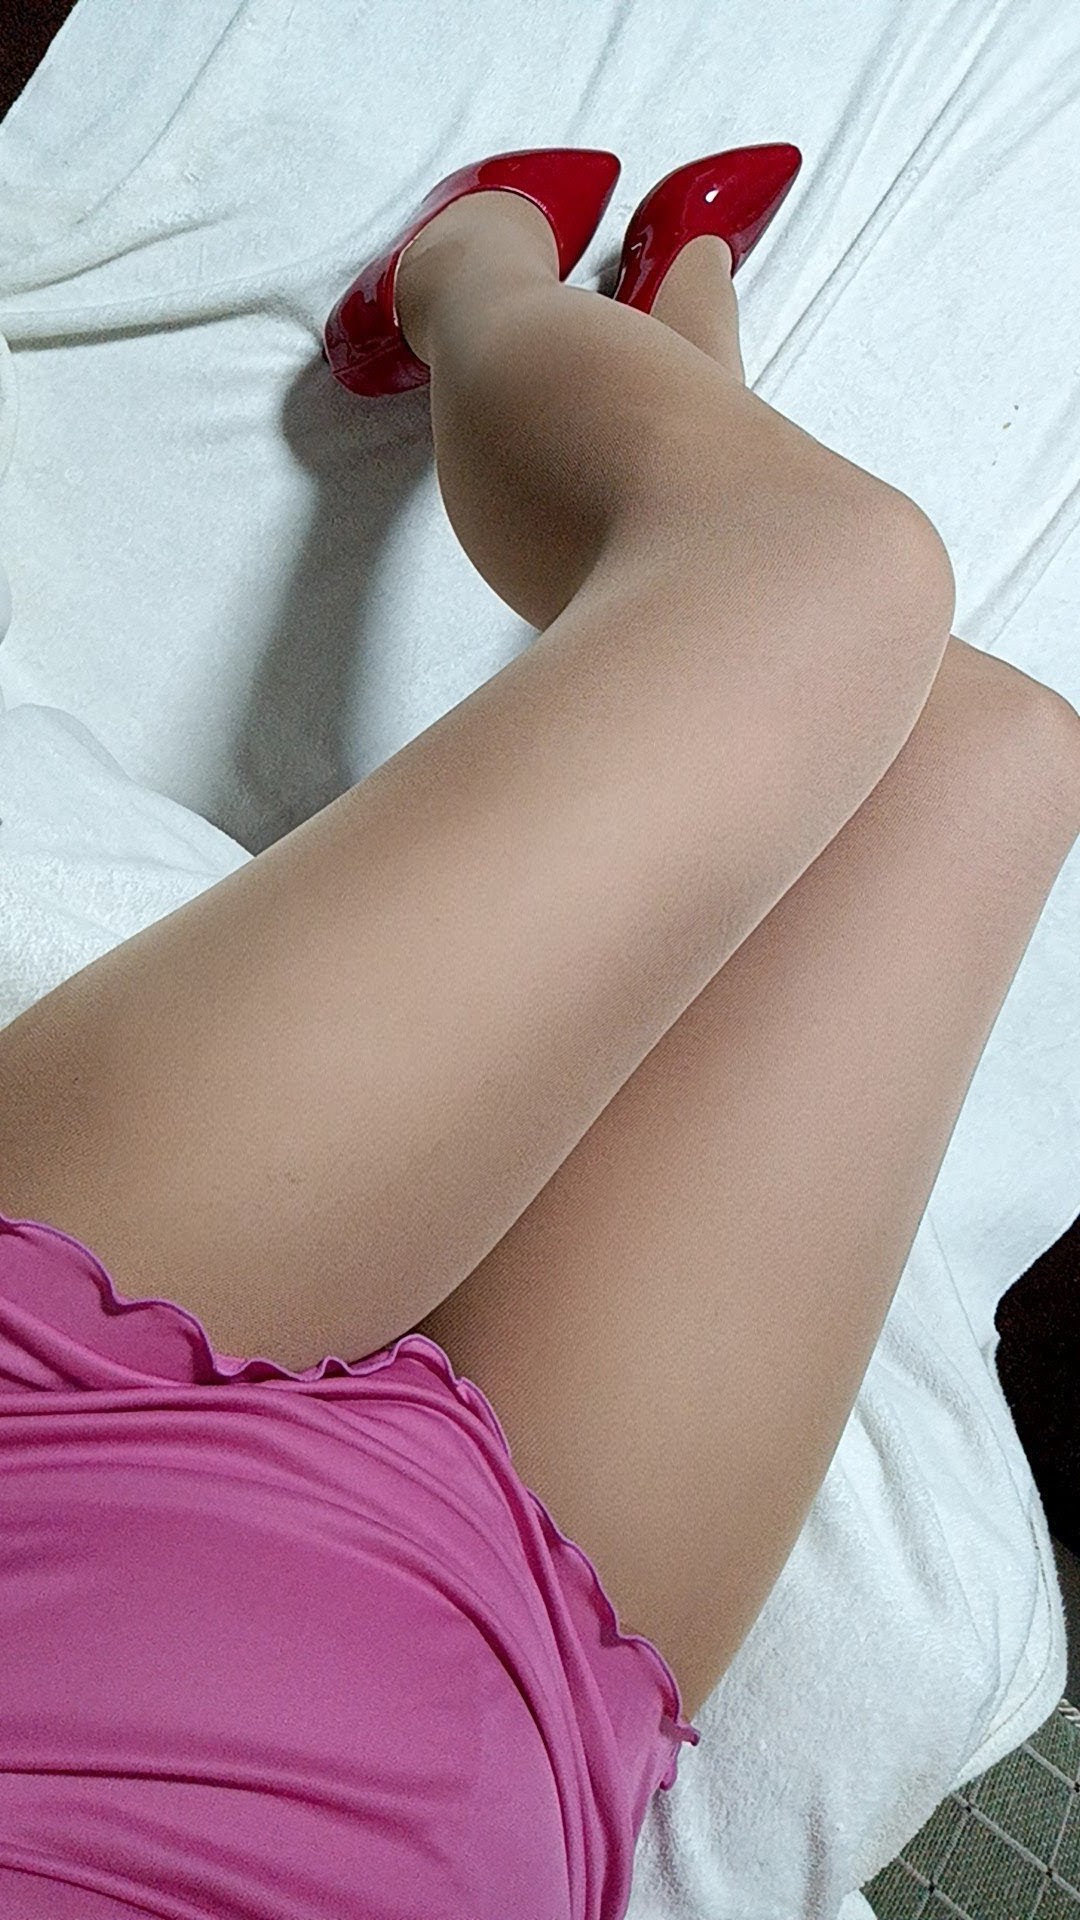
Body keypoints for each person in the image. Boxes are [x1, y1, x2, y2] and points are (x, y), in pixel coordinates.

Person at [1, 137, 1078, 1920]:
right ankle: (680, 411)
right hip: (505, 1714)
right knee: (985, 758)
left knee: (836, 582)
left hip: (56, 1461)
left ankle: (463, 291)